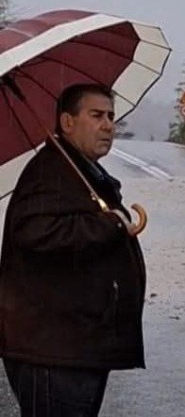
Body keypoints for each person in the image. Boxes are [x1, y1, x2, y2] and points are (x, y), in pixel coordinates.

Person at [0, 83, 146, 417]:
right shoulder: (49, 173)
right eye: (96, 115)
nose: (108, 125)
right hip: (52, 352)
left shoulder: (77, 170)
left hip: (75, 345)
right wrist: (110, 225)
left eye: (110, 116)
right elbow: (35, 232)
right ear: (67, 122)